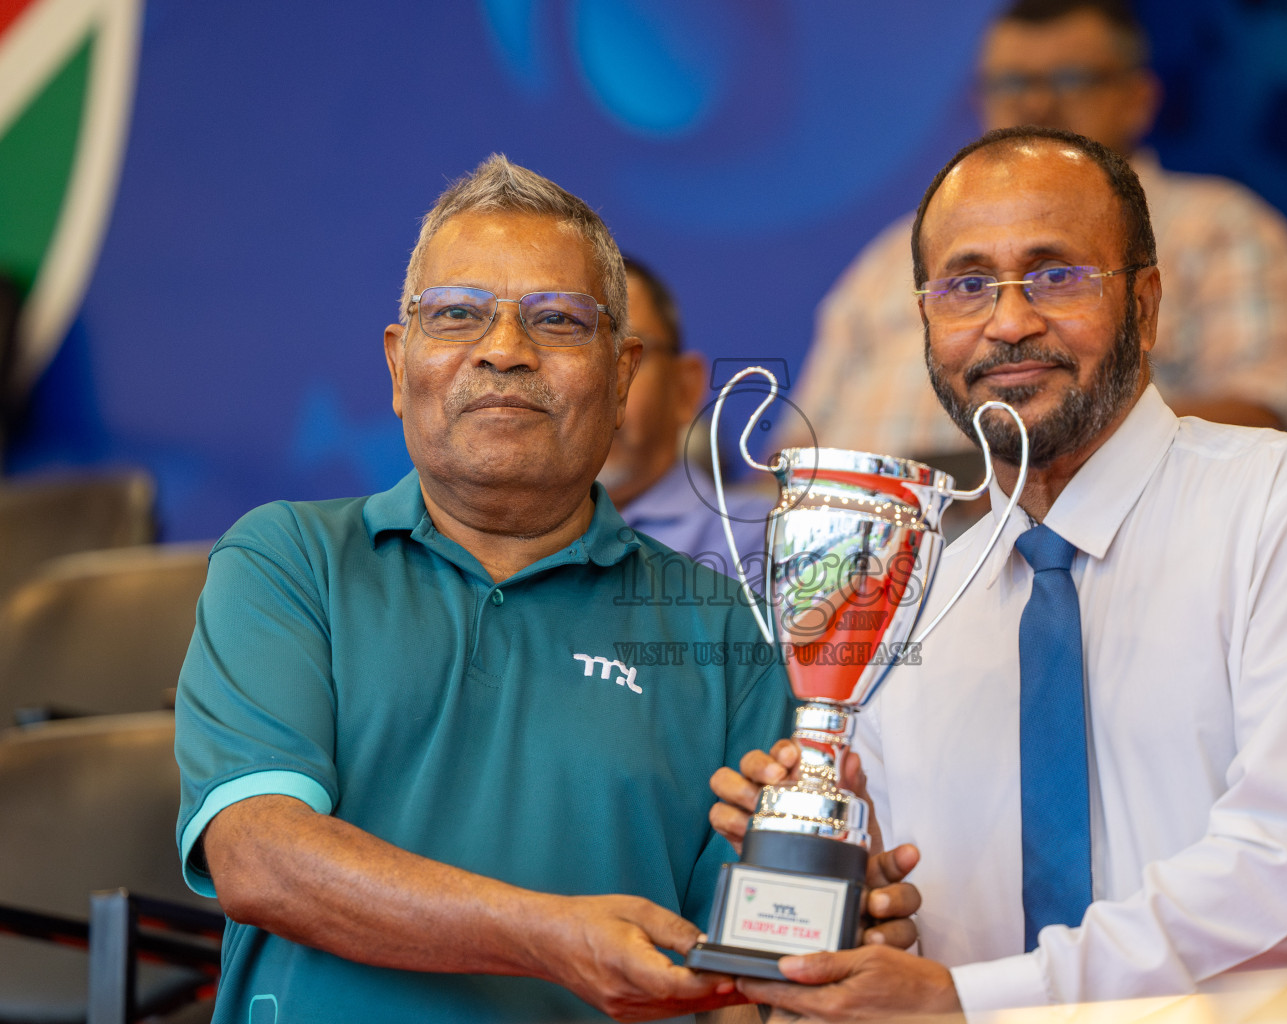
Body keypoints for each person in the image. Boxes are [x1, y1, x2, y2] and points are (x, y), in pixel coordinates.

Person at [712, 126, 1287, 1017]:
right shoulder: (909, 600)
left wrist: (971, 1002)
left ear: (1146, 304)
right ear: (926, 323)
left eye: (1057, 274)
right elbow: (911, 938)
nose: (1009, 320)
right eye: (967, 284)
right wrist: (846, 890)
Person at [174, 155, 917, 1024]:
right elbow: (260, 858)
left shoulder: (722, 630)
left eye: (557, 321)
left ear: (623, 375)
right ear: (396, 360)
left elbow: (739, 988)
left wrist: (822, 930)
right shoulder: (287, 560)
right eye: (456, 315)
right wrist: (548, 936)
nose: (503, 351)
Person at [782, 0, 1287, 460]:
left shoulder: (1218, 226)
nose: (1038, 102)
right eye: (1014, 82)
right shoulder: (897, 251)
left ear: (1138, 100)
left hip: (1073, 544)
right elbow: (794, 448)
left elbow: (1261, 415)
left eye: (1071, 80)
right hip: (855, 556)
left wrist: (1015, 473)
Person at [601, 257, 775, 565]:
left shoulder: (762, 540)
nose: (591, 388)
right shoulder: (495, 539)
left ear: (685, 389)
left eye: (622, 356)